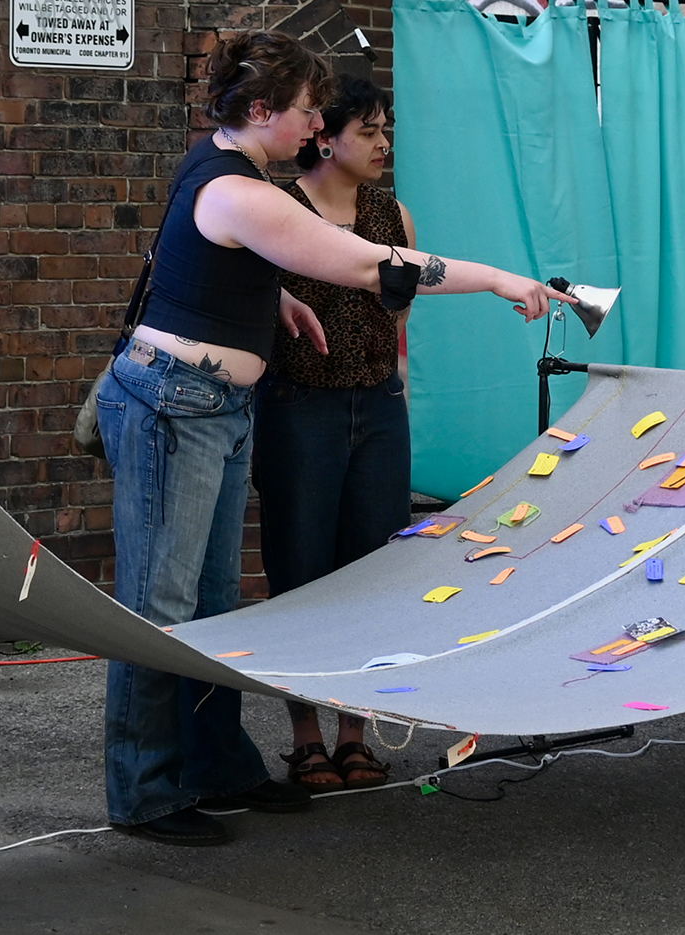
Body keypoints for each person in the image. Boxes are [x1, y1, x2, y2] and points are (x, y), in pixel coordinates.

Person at [95, 32, 572, 847]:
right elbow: (365, 267)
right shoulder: (244, 191)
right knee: (160, 606)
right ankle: (144, 791)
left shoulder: (233, 172)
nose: (317, 129)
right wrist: (497, 278)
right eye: (308, 114)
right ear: (259, 112)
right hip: (174, 407)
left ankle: (215, 765)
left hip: (211, 407)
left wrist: (273, 302)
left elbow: (208, 267)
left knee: (210, 605)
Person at [253, 75, 412, 792]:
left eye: (387, 131)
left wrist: (391, 388)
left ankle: (355, 733)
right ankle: (306, 737)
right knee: (301, 568)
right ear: (325, 136)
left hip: (378, 406)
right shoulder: (279, 210)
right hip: (300, 406)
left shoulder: (393, 215)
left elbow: (402, 319)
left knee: (374, 569)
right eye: (369, 131)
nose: (383, 144)